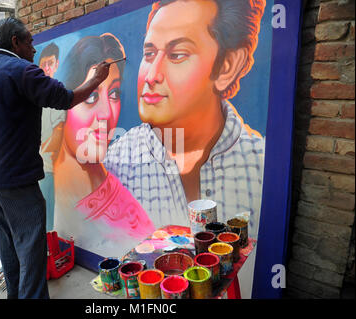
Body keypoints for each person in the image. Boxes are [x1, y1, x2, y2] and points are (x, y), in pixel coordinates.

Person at [0, 17, 111, 299]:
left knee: (9, 242)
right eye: (29, 42)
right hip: (16, 176)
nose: (34, 50)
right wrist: (95, 80)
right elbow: (65, 99)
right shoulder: (21, 70)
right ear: (15, 42)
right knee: (31, 247)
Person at [104, 0, 266, 238]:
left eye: (177, 55)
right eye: (149, 54)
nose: (151, 76)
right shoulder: (117, 163)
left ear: (227, 67)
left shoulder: (261, 166)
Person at [41, 34, 155, 258]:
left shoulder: (120, 192)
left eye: (114, 94)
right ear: (63, 106)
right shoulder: (51, 197)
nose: (106, 114)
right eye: (91, 97)